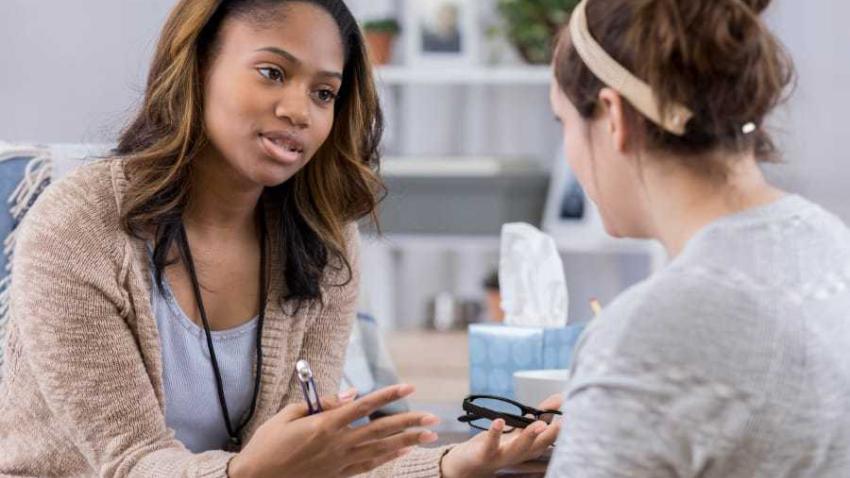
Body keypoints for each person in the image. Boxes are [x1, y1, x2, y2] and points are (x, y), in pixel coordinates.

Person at [0, 0, 558, 476]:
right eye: (271, 72)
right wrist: (249, 470)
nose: (298, 111)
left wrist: (450, 463)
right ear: (195, 67)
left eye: (323, 93)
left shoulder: (324, 237)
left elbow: (304, 462)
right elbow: (129, 463)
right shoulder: (77, 229)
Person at [545, 0, 850, 476]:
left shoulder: (647, 333)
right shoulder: (834, 248)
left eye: (563, 123)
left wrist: (623, 388)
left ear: (612, 117)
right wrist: (613, 411)